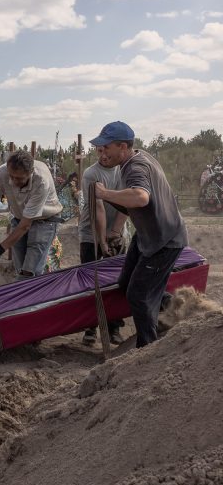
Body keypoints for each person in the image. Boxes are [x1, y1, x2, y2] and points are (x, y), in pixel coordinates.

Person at [92, 121, 187, 348]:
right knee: (126, 284)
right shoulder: (136, 158)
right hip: (148, 235)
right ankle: (174, 308)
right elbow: (139, 204)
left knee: (138, 295)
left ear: (122, 147)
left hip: (164, 240)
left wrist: (105, 194)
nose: (102, 152)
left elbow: (140, 197)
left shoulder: (135, 167)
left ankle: (148, 349)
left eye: (106, 147)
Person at [0, 150, 63, 280]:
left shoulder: (41, 180)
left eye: (19, 178)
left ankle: (34, 299)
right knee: (20, 269)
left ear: (30, 172)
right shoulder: (1, 173)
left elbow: (25, 225)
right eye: (11, 176)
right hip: (19, 219)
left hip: (45, 221)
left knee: (29, 273)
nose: (13, 181)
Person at [79, 160, 130, 345]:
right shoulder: (91, 173)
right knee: (90, 281)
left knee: (117, 281)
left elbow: (127, 203)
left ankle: (114, 328)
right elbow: (98, 208)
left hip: (117, 232)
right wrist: (101, 241)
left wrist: (115, 233)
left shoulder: (126, 171)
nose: (103, 155)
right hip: (90, 234)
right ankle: (90, 327)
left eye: (106, 149)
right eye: (99, 150)